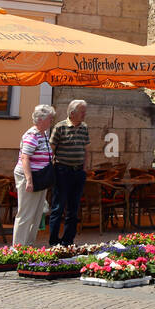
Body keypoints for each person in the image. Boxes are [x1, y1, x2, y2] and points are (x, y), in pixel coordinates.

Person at [48, 99, 91, 246]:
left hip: (78, 172)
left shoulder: (84, 128)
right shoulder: (60, 127)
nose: (84, 114)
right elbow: (51, 149)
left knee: (74, 208)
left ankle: (68, 241)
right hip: (62, 171)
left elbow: (86, 150)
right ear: (72, 113)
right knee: (58, 207)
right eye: (82, 112)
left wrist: (84, 169)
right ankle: (54, 242)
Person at [13, 104, 56, 246]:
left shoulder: (43, 134)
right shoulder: (32, 135)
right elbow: (25, 157)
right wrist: (29, 180)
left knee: (37, 214)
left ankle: (28, 245)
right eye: (50, 118)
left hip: (41, 178)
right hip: (31, 177)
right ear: (41, 119)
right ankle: (18, 248)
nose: (51, 121)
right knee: (26, 214)